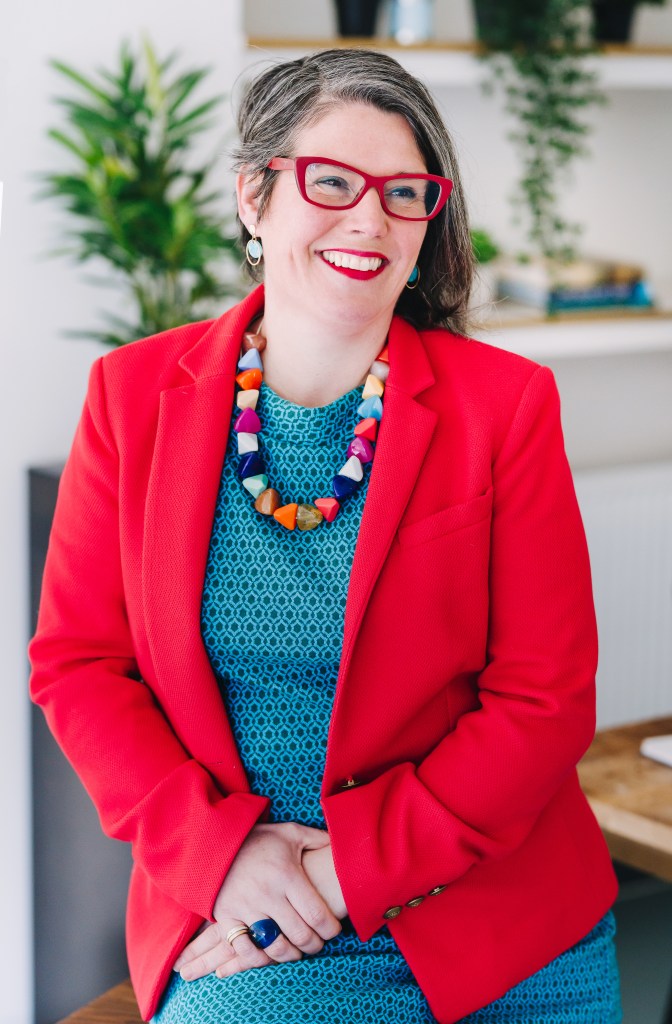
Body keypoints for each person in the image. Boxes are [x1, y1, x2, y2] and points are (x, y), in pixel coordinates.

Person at [29, 48, 622, 1024]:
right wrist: (227, 859)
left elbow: (544, 699)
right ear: (256, 198)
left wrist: (349, 870)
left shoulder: (506, 407)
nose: (369, 219)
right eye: (331, 181)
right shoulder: (132, 399)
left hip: (488, 910)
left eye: (405, 193)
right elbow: (79, 666)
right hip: (246, 908)